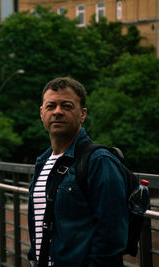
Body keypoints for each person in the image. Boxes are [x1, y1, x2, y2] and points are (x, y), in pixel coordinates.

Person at [28, 77, 128, 266]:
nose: (57, 112)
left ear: (82, 114)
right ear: (42, 113)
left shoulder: (99, 162)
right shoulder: (42, 162)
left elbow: (112, 235)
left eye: (66, 106)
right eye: (51, 106)